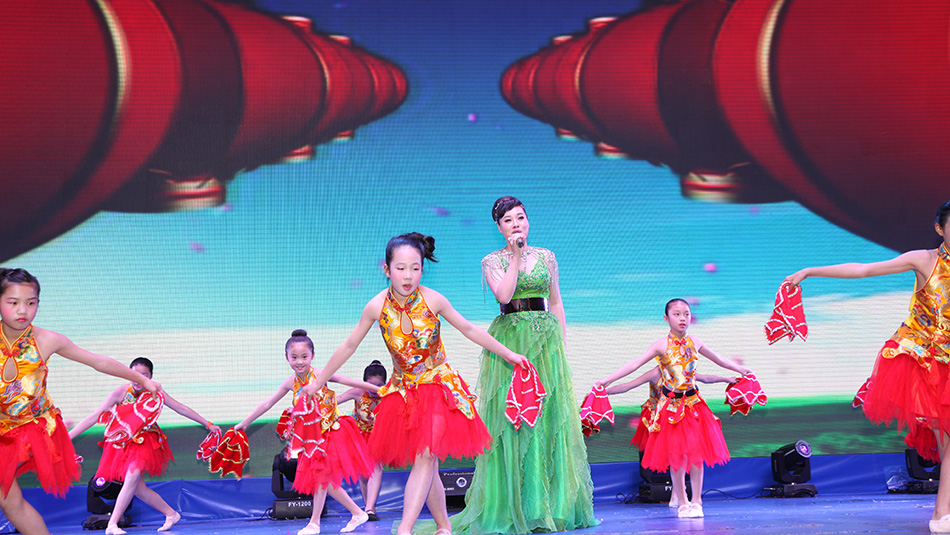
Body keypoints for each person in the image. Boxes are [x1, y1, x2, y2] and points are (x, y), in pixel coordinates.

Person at [302, 232, 528, 535]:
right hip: (403, 392)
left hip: (437, 386)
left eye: (415, 268)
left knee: (425, 454)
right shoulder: (376, 306)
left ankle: (404, 530)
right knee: (427, 461)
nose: (408, 276)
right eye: (400, 268)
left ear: (422, 269)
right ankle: (444, 525)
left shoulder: (433, 299)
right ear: (387, 269)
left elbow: (469, 329)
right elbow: (349, 346)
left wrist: (509, 354)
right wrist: (317, 382)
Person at [783, 199, 950, 533]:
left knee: (946, 446)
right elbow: (864, 269)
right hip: (923, 360)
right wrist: (810, 271)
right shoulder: (925, 260)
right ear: (939, 228)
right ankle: (940, 515)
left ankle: (943, 513)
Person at [445, 196, 597, 534]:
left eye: (521, 217)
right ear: (499, 227)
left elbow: (555, 301)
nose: (517, 224)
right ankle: (516, 507)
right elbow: (504, 295)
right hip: (511, 342)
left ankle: (553, 507)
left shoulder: (547, 257)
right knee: (515, 420)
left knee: (550, 418)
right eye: (508, 220)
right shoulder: (492, 261)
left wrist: (561, 346)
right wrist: (515, 255)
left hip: (546, 344)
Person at [0, 268, 160, 535]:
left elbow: (98, 361)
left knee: (10, 501)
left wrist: (141, 379)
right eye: (13, 302)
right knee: (10, 501)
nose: (23, 310)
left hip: (27, 430)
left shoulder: (46, 340)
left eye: (31, 303)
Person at [595, 299, 751, 519]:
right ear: (666, 318)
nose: (682, 318)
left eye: (686, 314)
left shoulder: (695, 342)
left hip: (695, 405)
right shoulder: (661, 346)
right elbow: (634, 365)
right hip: (671, 409)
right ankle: (682, 502)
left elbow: (718, 360)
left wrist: (739, 370)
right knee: (676, 457)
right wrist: (607, 381)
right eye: (677, 314)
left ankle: (697, 501)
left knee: (696, 455)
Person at [235, 329, 380, 535]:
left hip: (332, 432)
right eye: (294, 357)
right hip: (312, 439)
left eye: (304, 356)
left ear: (312, 355)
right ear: (287, 357)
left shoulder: (320, 374)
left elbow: (347, 380)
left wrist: (378, 389)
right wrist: (245, 423)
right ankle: (337, 518)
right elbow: (267, 403)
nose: (299, 362)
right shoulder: (290, 383)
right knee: (321, 479)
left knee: (321, 477)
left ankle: (327, 520)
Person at [68, 357, 219, 535]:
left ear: (150, 376)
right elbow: (94, 417)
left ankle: (112, 524)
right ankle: (171, 514)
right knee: (139, 490)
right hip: (122, 445)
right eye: (134, 374)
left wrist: (208, 424)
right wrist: (67, 437)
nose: (138, 379)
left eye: (144, 375)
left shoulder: (156, 392)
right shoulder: (120, 393)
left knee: (131, 477)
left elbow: (180, 408)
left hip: (145, 442)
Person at [603, 366, 739, 508]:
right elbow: (628, 386)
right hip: (660, 420)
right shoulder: (656, 373)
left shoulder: (682, 368)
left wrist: (726, 379)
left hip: (679, 417)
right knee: (673, 455)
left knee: (684, 452)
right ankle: (679, 495)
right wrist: (605, 392)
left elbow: (704, 377)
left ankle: (678, 495)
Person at [336, 360, 388, 521]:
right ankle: (368, 509)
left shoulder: (388, 394)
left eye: (379, 385)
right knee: (364, 475)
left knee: (376, 468)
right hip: (358, 437)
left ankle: (370, 508)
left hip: (379, 437)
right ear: (364, 383)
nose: (374, 389)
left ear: (385, 383)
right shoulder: (357, 392)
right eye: (370, 385)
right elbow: (332, 402)